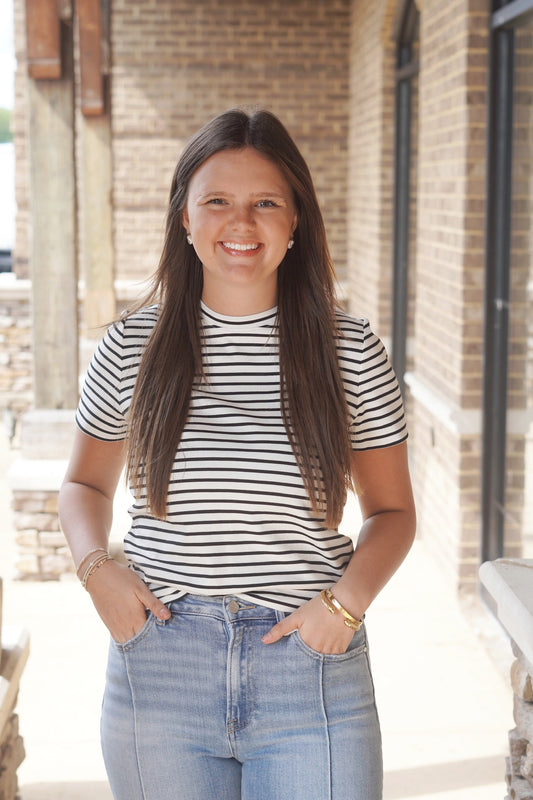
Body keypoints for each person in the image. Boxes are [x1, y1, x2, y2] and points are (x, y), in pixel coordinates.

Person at [58, 107, 416, 800]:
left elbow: (393, 511)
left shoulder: (349, 350)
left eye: (265, 203)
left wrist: (342, 609)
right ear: (185, 221)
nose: (240, 224)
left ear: (295, 222)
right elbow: (83, 485)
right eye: (216, 202)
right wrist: (95, 569)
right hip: (161, 663)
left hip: (307, 664)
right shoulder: (131, 346)